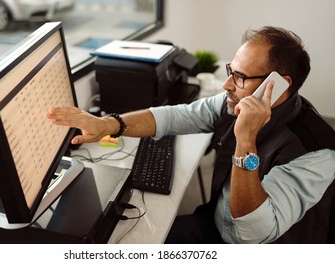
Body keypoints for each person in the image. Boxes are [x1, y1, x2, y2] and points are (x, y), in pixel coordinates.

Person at [47, 26, 335, 243]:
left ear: (279, 86)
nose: (226, 85)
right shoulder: (233, 103)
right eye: (230, 72)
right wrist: (109, 124)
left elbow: (252, 235)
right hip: (214, 221)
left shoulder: (316, 151)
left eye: (240, 77)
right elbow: (178, 116)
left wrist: (245, 140)